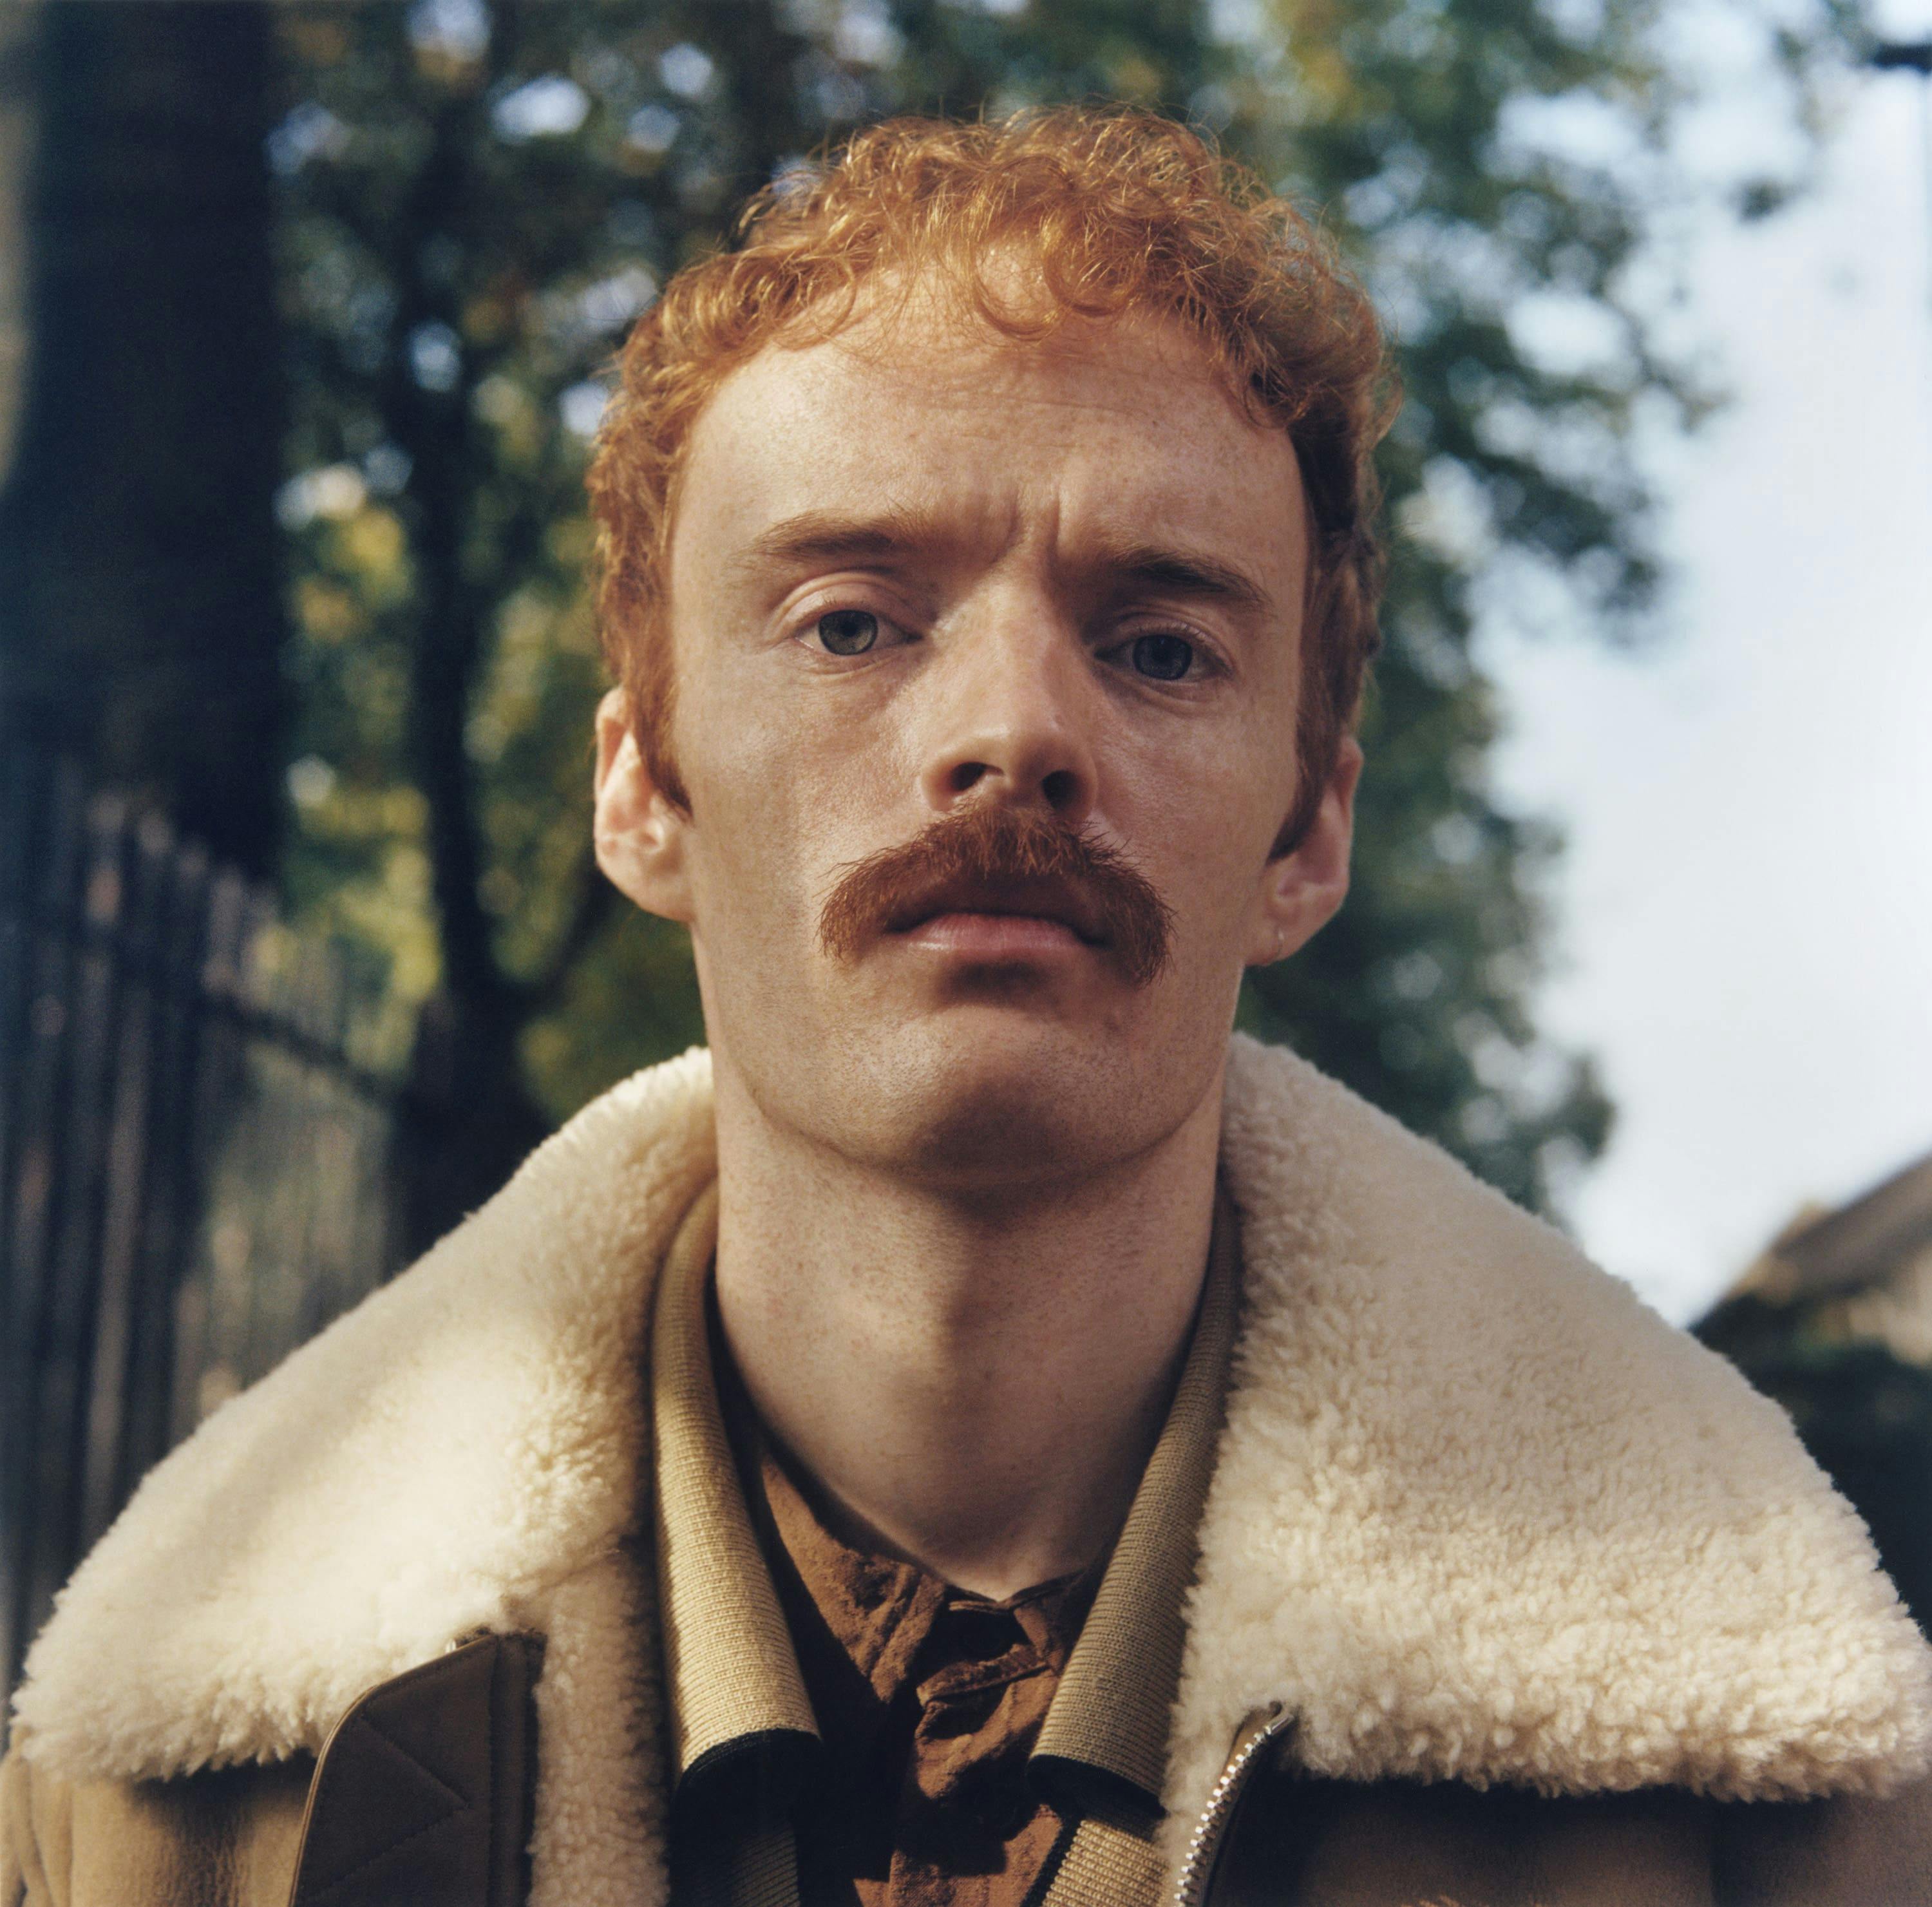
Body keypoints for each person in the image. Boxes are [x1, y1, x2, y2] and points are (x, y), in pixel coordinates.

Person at [4, 107, 1929, 1907]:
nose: (1013, 733)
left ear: (1309, 828)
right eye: (855, 619)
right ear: (644, 789)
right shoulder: (146, 1796)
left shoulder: (1782, 1803)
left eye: (1159, 643)